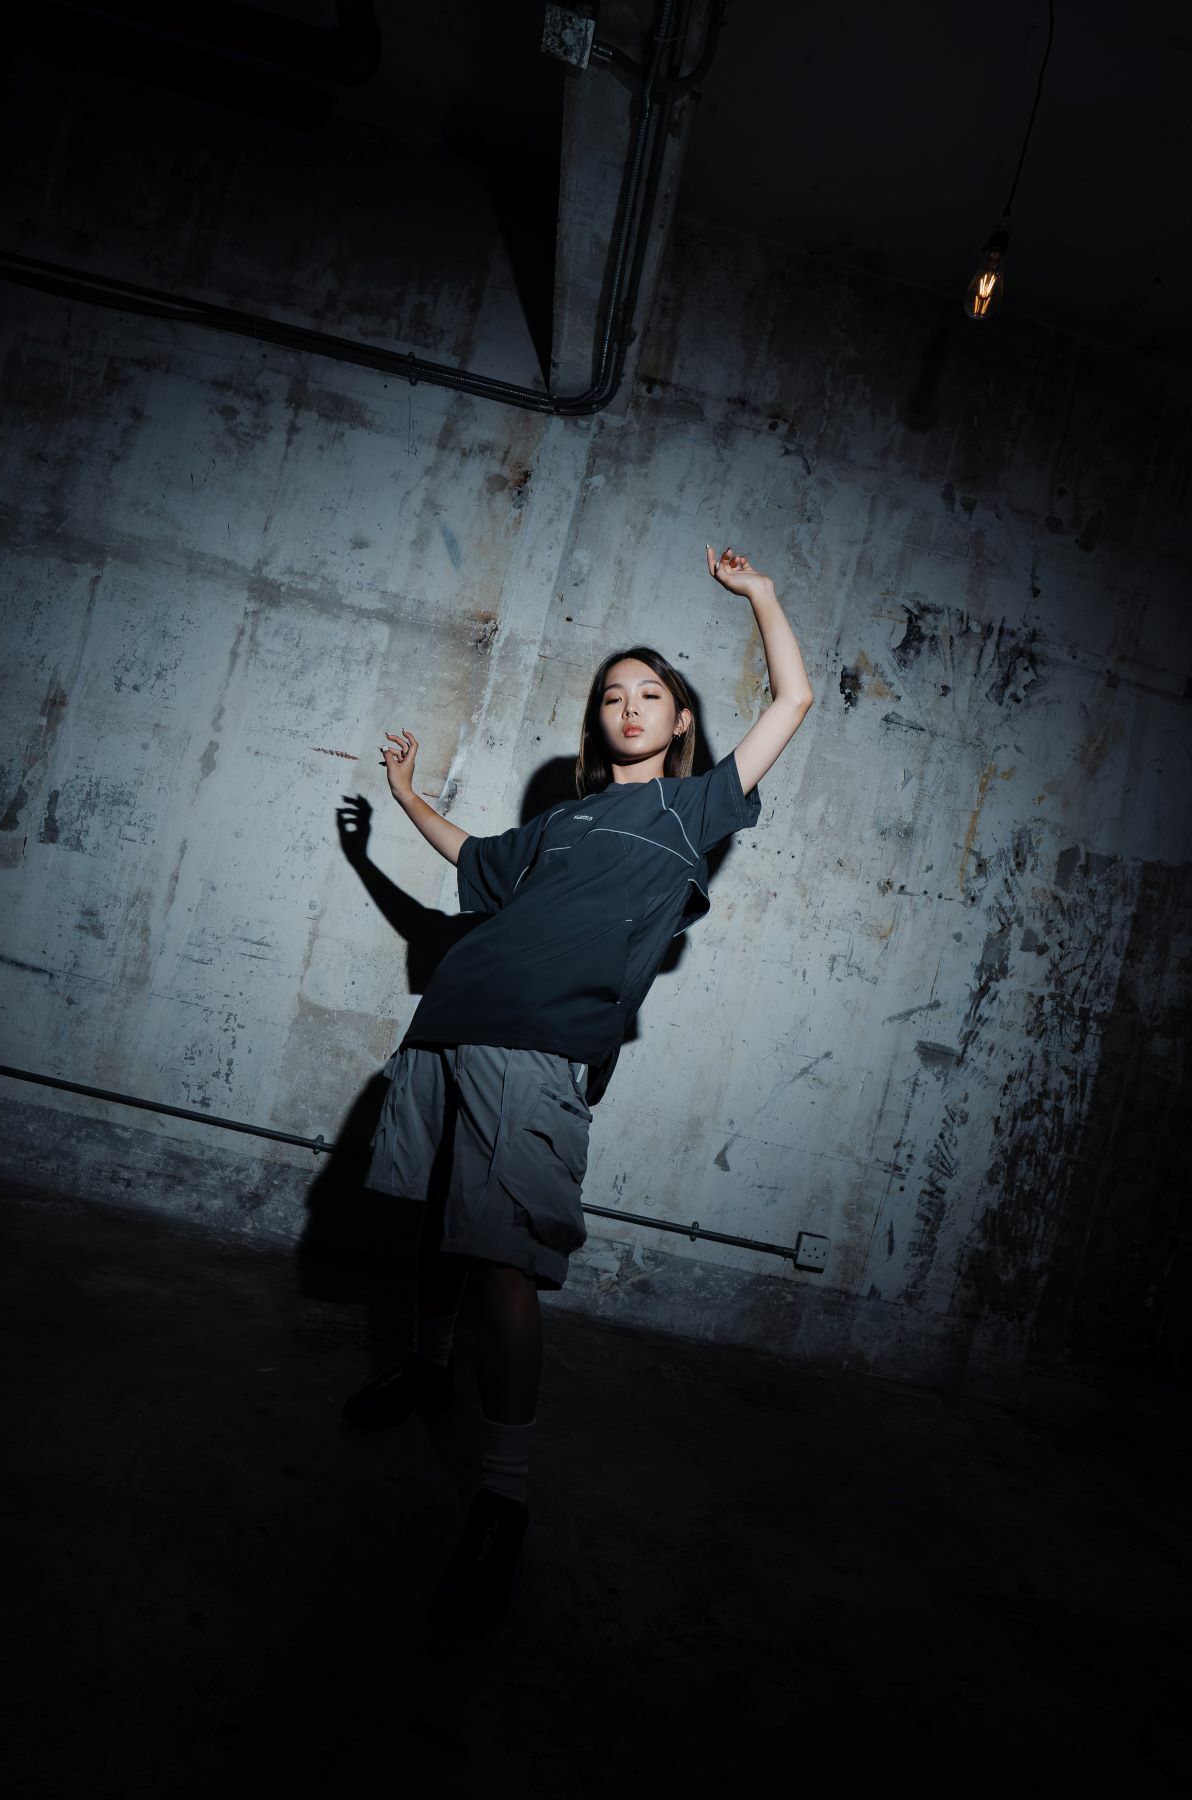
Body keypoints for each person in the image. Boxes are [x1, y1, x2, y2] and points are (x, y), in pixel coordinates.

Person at [345, 543, 814, 1633]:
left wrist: (760, 595)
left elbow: (792, 700)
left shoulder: (693, 810)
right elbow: (472, 862)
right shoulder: (560, 821)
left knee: (505, 1258)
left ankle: (503, 1496)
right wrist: (404, 801)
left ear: (680, 720)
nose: (629, 706)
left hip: (543, 1045)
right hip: (451, 1019)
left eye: (650, 694)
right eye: (612, 696)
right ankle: (426, 1366)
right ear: (597, 723)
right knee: (441, 1222)